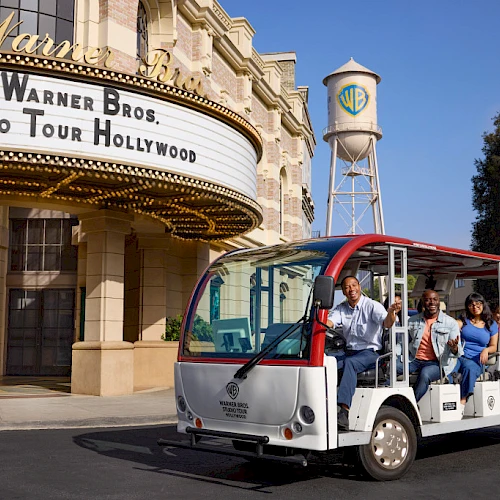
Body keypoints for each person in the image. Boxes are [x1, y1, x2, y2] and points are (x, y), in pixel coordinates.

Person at [327, 276, 400, 430]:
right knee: (324, 361)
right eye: (347, 287)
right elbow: (330, 322)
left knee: (350, 364)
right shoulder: (341, 308)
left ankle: (343, 411)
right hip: (349, 352)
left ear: (359, 286)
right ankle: (321, 405)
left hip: (370, 353)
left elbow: (387, 323)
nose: (351, 289)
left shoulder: (372, 306)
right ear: (344, 291)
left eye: (354, 285)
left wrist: (392, 312)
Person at [400, 289, 461, 402]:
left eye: (435, 299)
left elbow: (458, 352)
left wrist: (454, 348)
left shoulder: (450, 323)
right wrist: (395, 356)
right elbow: (402, 343)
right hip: (414, 360)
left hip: (438, 363)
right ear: (422, 302)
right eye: (428, 300)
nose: (432, 303)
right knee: (393, 368)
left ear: (439, 302)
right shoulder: (412, 321)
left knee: (425, 374)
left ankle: (409, 404)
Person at [450, 293, 498, 414]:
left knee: (469, 368)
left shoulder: (491, 324)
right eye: (471, 304)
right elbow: (453, 325)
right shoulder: (464, 320)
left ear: (483, 305)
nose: (474, 306)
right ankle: (448, 400)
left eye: (478, 304)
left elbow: (493, 346)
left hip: (476, 359)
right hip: (459, 356)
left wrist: (486, 350)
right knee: (447, 370)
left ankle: (462, 401)